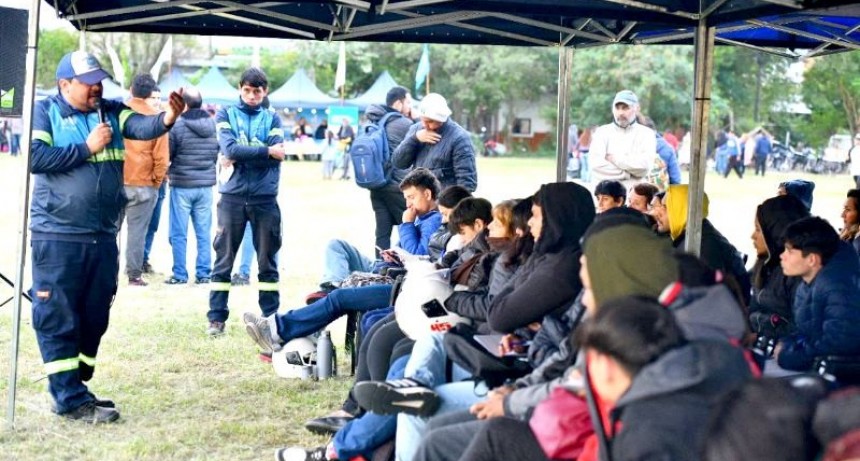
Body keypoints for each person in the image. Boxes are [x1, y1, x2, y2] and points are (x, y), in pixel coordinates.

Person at [29, 51, 185, 422]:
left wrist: (168, 117)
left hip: (102, 233)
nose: (96, 87)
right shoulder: (45, 111)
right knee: (58, 316)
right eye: (88, 82)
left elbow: (144, 127)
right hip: (58, 234)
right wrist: (87, 148)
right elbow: (36, 158)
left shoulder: (112, 112)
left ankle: (76, 382)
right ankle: (69, 399)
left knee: (95, 314)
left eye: (99, 80)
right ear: (65, 84)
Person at [207, 67, 285, 337]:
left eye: (257, 91)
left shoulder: (273, 117)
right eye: (247, 90)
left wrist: (244, 154)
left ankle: (271, 319)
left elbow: (278, 154)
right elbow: (229, 149)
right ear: (240, 89)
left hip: (265, 199)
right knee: (223, 261)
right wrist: (266, 151)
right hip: (232, 198)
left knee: (268, 263)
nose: (252, 96)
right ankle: (216, 319)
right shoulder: (225, 113)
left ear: (265, 91)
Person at [776, 216, 860, 372]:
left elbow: (840, 342)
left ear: (812, 260)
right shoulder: (808, 283)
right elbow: (807, 332)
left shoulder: (837, 286)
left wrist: (790, 356)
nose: (782, 256)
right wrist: (787, 343)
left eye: (789, 251)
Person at [164, 88, 218, 285]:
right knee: (203, 233)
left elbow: (169, 154)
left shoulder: (177, 125)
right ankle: (204, 274)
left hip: (182, 185)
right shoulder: (212, 124)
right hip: (205, 186)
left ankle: (180, 275)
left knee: (179, 233)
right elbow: (215, 153)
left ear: (184, 105)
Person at [122, 74, 169, 286]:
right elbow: (162, 159)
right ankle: (134, 274)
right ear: (151, 94)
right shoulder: (157, 119)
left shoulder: (117, 114)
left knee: (109, 232)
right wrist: (156, 183)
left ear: (131, 90)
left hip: (116, 181)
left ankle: (105, 270)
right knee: (137, 232)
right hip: (143, 184)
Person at [748, 195, 810, 339]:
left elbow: (800, 330)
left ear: (775, 233)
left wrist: (760, 340)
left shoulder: (799, 275)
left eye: (758, 230)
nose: (753, 236)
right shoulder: (765, 264)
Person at [364, 86, 415, 255]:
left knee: (382, 233)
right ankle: (409, 264)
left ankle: (380, 265)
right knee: (408, 226)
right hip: (397, 186)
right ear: (398, 104)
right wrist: (415, 119)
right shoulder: (404, 124)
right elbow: (419, 142)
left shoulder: (373, 122)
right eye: (408, 102)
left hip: (377, 184)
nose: (410, 106)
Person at [392, 92, 478, 192]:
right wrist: (414, 139)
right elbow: (398, 162)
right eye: (422, 120)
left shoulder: (459, 138)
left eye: (430, 121)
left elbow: (467, 183)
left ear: (442, 119)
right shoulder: (416, 130)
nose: (424, 125)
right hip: (418, 197)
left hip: (443, 199)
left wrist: (451, 201)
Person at [588, 90, 656, 190]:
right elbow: (595, 166)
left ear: (637, 109)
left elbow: (644, 168)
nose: (620, 113)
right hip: (606, 195)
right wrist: (627, 174)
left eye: (625, 108)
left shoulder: (647, 134)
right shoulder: (602, 132)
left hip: (634, 196)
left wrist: (615, 159)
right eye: (617, 108)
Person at [840, 189, 860, 256]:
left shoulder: (857, 244)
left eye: (848, 209)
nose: (842, 215)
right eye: (844, 209)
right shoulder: (849, 235)